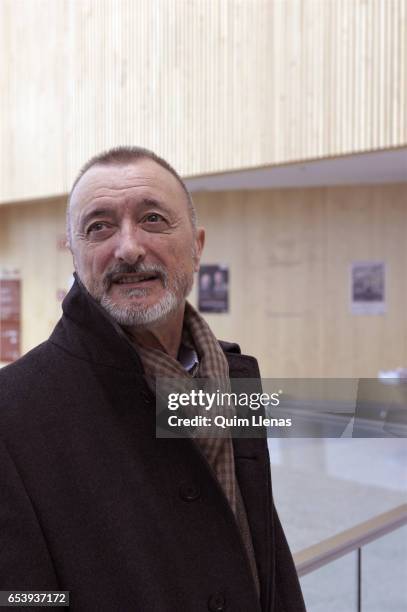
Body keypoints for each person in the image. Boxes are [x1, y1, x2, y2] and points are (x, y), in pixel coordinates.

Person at [0, 147, 306, 612]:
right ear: (74, 253)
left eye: (154, 219)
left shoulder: (230, 378)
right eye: (99, 226)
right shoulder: (14, 411)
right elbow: (19, 598)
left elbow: (262, 548)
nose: (128, 247)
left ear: (197, 246)